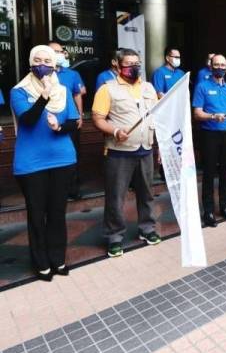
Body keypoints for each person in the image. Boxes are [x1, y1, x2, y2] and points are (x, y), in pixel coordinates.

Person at [10, 45, 79, 281]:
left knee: (57, 213)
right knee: (37, 215)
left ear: (54, 64)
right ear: (30, 63)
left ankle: (58, 259)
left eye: (47, 61)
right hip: (31, 164)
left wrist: (59, 127)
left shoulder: (63, 90)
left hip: (63, 159)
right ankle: (41, 263)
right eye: (37, 60)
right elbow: (27, 120)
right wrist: (43, 97)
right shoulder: (19, 91)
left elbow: (73, 121)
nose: (42, 65)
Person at [91, 48, 161, 258]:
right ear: (117, 66)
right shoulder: (107, 89)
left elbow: (156, 117)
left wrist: (158, 147)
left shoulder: (148, 88)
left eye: (137, 63)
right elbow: (98, 119)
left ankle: (147, 229)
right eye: (129, 64)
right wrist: (114, 131)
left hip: (145, 149)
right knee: (116, 196)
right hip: (119, 152)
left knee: (147, 193)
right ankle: (114, 237)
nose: (134, 68)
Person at [192, 54, 226, 227]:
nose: (220, 67)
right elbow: (197, 113)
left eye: (223, 65)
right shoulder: (202, 87)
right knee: (209, 173)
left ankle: (225, 207)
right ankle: (209, 211)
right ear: (211, 67)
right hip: (209, 134)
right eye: (217, 64)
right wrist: (212, 116)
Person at [49, 42, 86, 200]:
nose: (59, 54)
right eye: (54, 51)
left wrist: (80, 115)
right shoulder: (41, 74)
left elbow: (78, 94)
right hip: (48, 122)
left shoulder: (71, 74)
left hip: (70, 121)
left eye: (60, 51)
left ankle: (73, 189)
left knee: (73, 154)